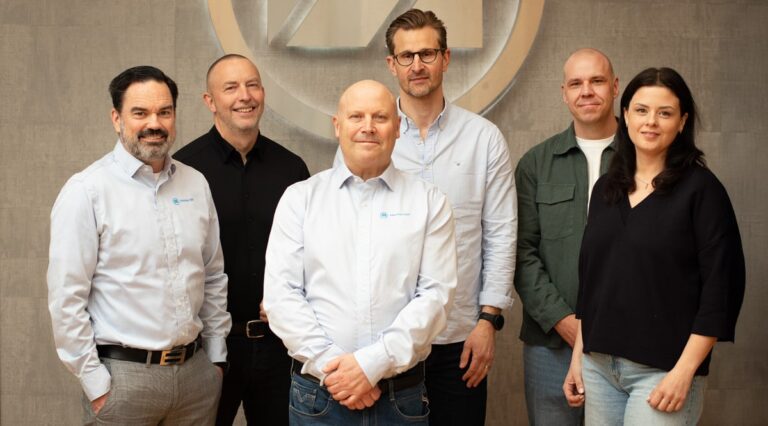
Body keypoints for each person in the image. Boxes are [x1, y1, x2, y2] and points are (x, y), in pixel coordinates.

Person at [334, 10, 517, 423]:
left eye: (427, 54)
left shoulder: (483, 139)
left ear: (446, 58)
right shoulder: (366, 137)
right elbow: (345, 238)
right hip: (382, 342)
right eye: (406, 56)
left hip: (460, 339)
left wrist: (488, 321)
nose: (417, 65)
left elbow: (501, 235)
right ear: (392, 64)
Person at [264, 80, 458, 425]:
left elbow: (435, 297)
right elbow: (282, 296)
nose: (368, 127)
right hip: (318, 398)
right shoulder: (300, 199)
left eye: (380, 117)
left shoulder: (430, 202)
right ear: (337, 126)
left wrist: (371, 366)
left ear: (397, 128)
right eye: (356, 116)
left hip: (400, 399)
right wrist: (338, 372)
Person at [47, 65, 231, 425]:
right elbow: (66, 298)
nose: (154, 123)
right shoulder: (87, 191)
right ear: (116, 119)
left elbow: (212, 276)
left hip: (196, 378)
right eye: (140, 113)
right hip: (123, 380)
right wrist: (96, 385)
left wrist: (215, 360)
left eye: (164, 112)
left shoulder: (195, 184)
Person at [564, 67, 745, 425]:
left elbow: (720, 290)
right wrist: (578, 358)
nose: (651, 122)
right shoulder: (605, 189)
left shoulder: (702, 191)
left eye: (665, 113)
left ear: (682, 121)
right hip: (599, 368)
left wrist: (685, 372)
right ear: (626, 114)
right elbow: (593, 283)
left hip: (663, 372)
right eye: (642, 110)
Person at [174, 54, 310, 425]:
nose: (244, 96)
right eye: (231, 87)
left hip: (279, 347)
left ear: (263, 93)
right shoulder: (184, 171)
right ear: (210, 101)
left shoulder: (292, 169)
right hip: (207, 349)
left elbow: (313, 253)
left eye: (252, 85)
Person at [514, 48, 618, 425]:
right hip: (552, 344)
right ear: (563, 93)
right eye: (576, 83)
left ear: (615, 86)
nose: (586, 91)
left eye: (597, 81)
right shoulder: (536, 164)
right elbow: (522, 253)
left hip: (628, 343)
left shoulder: (644, 158)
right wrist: (564, 321)